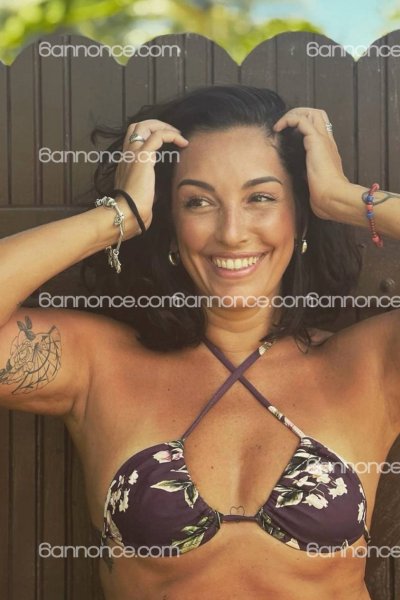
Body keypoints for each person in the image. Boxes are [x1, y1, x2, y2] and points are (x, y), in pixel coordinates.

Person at [0, 85, 399, 600]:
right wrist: (117, 216)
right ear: (169, 224)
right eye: (199, 202)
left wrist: (344, 199)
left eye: (261, 197)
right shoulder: (101, 365)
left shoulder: (370, 366)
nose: (231, 233)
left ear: (300, 215)